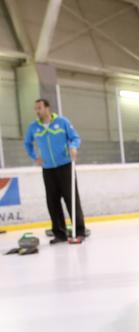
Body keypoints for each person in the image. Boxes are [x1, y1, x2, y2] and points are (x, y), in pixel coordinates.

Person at [23, 98, 87, 244]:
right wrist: (35, 157)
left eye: (39, 108)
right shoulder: (33, 127)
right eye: (36, 108)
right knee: (52, 201)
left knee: (71, 199)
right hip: (48, 168)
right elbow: (27, 143)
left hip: (65, 165)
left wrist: (73, 147)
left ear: (47, 108)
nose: (37, 111)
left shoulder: (63, 122)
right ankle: (59, 234)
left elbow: (75, 137)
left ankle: (80, 231)